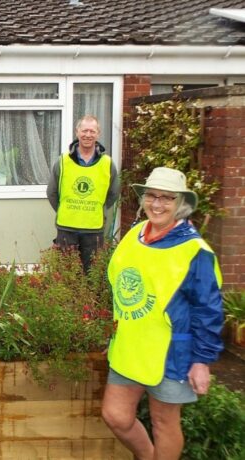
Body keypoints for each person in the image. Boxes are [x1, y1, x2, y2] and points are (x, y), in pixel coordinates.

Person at [102, 167, 224, 459]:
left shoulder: (195, 251)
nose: (157, 204)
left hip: (172, 352)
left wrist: (201, 361)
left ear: (180, 203)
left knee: (164, 422)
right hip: (130, 346)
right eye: (151, 196)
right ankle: (147, 455)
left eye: (166, 198)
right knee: (115, 416)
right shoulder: (134, 235)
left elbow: (208, 310)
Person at [46, 115, 120, 273]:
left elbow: (113, 193)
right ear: (77, 132)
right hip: (67, 228)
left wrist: (98, 208)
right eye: (84, 130)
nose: (88, 135)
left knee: (92, 274)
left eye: (92, 131)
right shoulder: (63, 161)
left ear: (98, 134)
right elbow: (52, 192)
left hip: (94, 229)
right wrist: (65, 208)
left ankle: (90, 299)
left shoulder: (107, 163)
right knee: (66, 273)